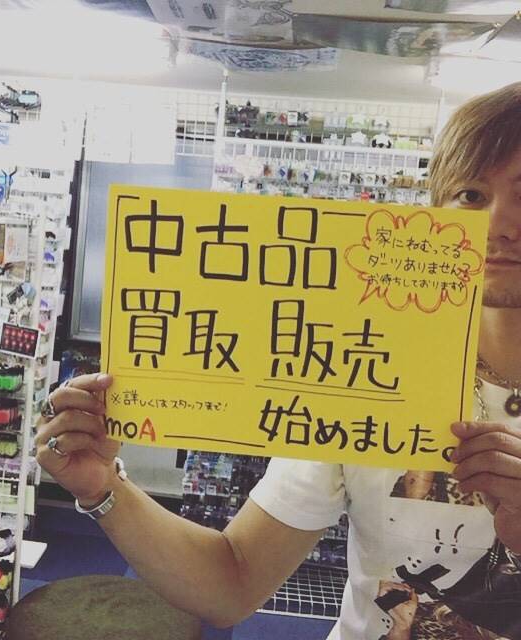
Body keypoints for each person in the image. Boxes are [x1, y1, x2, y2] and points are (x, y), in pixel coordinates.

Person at [35, 83, 521, 640]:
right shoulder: (367, 368)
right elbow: (232, 582)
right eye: (471, 194)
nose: (501, 224)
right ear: (436, 213)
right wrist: (103, 488)